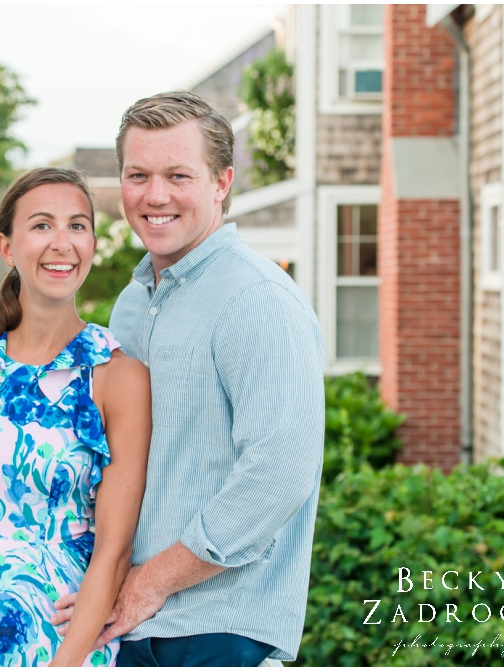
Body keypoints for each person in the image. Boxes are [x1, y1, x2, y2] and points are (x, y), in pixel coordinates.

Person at [51, 91, 325, 666]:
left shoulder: (259, 300)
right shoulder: (130, 305)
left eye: (178, 175)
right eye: (138, 175)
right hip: (125, 626)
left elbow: (279, 473)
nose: (155, 196)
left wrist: (152, 581)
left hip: (217, 632)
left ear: (222, 182)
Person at [0, 167, 152, 667]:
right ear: (7, 247)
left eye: (78, 226)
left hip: (65, 639)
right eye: (42, 226)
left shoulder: (116, 375)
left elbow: (114, 548)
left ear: (93, 245)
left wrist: (67, 662)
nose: (63, 243)